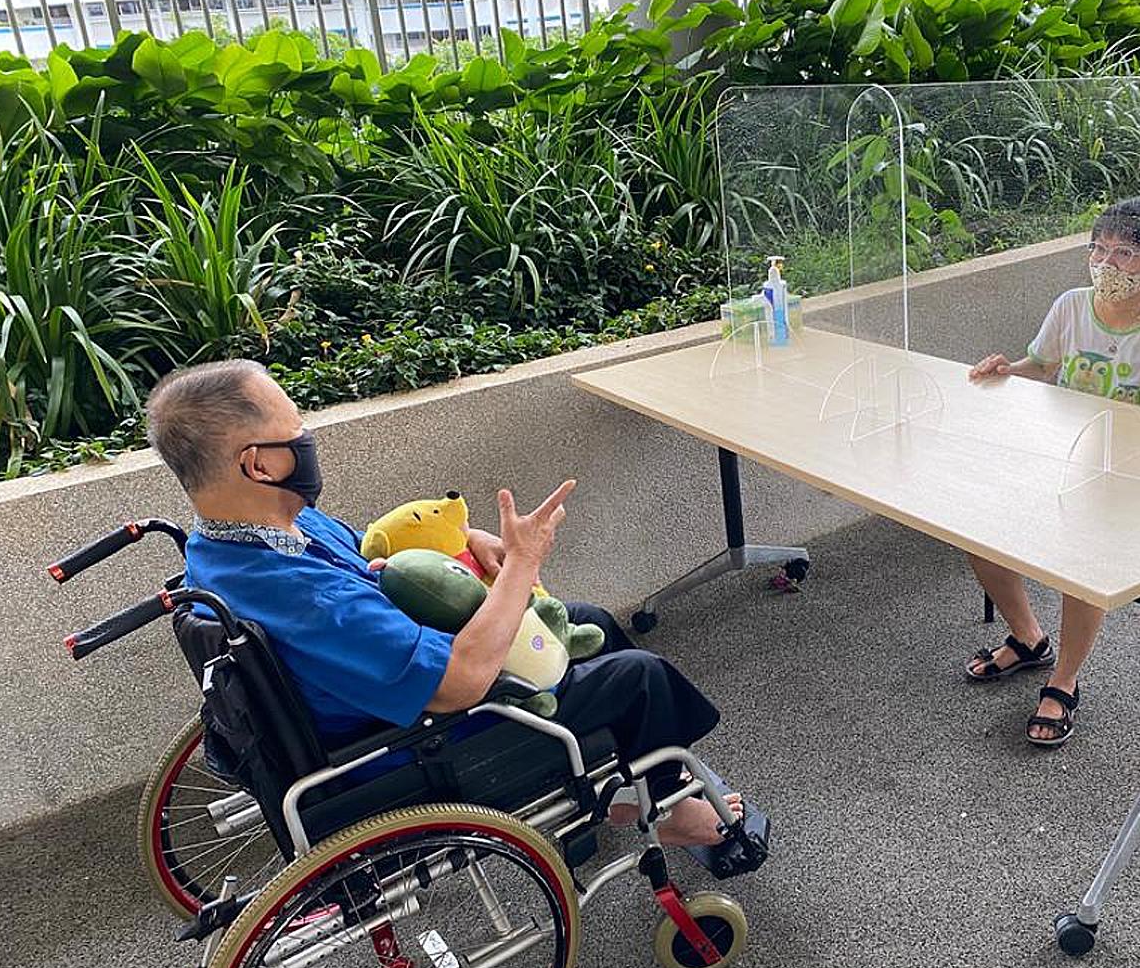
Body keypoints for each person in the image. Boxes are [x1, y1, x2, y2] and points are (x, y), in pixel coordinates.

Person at [144, 359, 738, 846]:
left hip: (381, 691)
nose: (307, 438)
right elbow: (460, 683)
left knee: (592, 623)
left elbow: (383, 555)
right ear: (258, 463)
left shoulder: (235, 543)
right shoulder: (308, 596)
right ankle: (669, 808)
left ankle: (634, 777)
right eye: (295, 428)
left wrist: (468, 541)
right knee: (640, 677)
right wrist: (523, 562)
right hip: (414, 744)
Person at [964, 195, 1140, 748]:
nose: (1105, 263)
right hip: (1058, 456)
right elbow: (1041, 366)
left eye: (1124, 253)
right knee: (977, 528)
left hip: (1125, 476)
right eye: (1098, 248)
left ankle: (1064, 679)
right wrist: (1006, 370)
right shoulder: (1071, 306)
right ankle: (1028, 638)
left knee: (1084, 559)